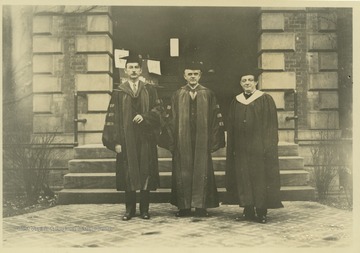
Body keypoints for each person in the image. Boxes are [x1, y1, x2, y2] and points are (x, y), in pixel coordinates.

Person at [160, 61, 225, 217]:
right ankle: (184, 207)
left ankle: (201, 206)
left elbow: (216, 119)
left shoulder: (208, 94)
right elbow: (170, 120)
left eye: (196, 74)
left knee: (202, 171)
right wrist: (172, 141)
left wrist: (214, 140)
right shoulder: (177, 94)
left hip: (203, 139)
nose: (193, 77)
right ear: (184, 76)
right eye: (190, 74)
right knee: (183, 171)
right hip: (183, 140)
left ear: (200, 75)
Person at [102, 54, 162, 221]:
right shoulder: (118, 93)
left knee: (145, 174)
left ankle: (144, 210)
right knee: (129, 174)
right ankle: (129, 210)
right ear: (126, 70)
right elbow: (112, 118)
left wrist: (146, 117)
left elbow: (159, 112)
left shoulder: (150, 90)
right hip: (126, 140)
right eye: (131, 68)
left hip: (146, 139)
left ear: (141, 70)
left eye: (137, 67)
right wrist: (115, 143)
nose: (134, 70)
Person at [225, 69, 283, 224]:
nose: (247, 83)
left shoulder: (265, 99)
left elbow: (271, 127)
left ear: (256, 82)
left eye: (250, 80)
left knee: (259, 179)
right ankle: (248, 209)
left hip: (259, 148)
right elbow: (231, 127)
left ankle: (261, 211)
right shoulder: (236, 101)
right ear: (240, 83)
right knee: (244, 178)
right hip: (241, 148)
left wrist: (268, 147)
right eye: (244, 80)